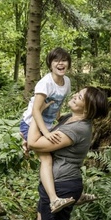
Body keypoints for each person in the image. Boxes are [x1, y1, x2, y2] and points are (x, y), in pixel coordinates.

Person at [28, 87, 109, 220]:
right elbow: (41, 139)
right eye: (77, 93)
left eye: (80, 97)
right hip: (51, 184)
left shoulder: (78, 129)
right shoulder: (68, 119)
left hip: (61, 184)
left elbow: (34, 142)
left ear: (88, 109)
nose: (74, 96)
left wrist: (34, 113)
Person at [20, 48, 72, 207]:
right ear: (50, 65)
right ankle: (53, 200)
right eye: (56, 60)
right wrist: (46, 134)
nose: (60, 63)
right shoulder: (46, 83)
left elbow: (59, 101)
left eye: (64, 60)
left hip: (47, 126)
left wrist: (59, 117)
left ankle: (69, 191)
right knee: (46, 158)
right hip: (31, 124)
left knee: (60, 152)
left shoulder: (67, 82)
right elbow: (36, 110)